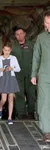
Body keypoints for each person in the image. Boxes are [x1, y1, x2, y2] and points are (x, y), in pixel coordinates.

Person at [31, 10, 50, 142]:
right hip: (45, 75)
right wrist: (33, 74)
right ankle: (47, 131)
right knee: (44, 103)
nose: (47, 25)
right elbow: (36, 56)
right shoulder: (41, 37)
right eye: (46, 22)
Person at [11, 26, 36, 119]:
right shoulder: (13, 47)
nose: (19, 36)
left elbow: (37, 58)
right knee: (19, 93)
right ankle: (20, 113)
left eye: (21, 33)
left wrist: (36, 71)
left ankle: (31, 112)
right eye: (17, 34)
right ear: (15, 36)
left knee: (31, 92)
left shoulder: (32, 44)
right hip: (18, 73)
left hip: (30, 71)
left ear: (24, 34)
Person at [0, 42, 20, 124]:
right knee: (4, 99)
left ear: (10, 50)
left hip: (11, 79)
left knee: (11, 98)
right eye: (5, 50)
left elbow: (18, 69)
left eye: (8, 50)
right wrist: (0, 70)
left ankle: (9, 118)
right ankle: (0, 108)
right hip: (3, 79)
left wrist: (12, 68)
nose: (7, 52)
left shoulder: (13, 58)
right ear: (3, 50)